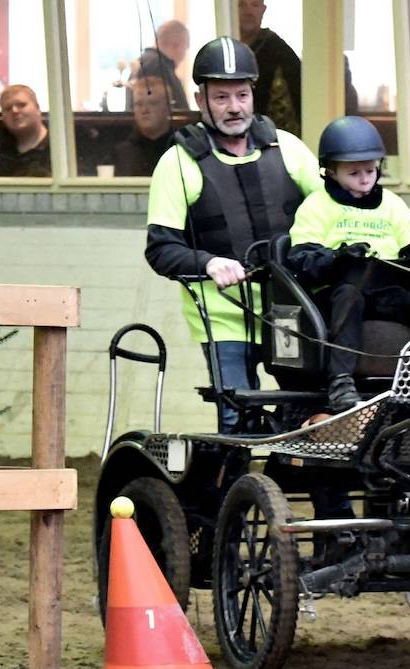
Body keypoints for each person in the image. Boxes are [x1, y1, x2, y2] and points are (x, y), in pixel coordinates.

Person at [144, 36, 318, 434]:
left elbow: (332, 210)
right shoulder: (177, 163)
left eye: (242, 94)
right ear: (200, 99)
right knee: (237, 420)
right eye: (221, 97)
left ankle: (322, 497)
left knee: (309, 413)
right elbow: (160, 249)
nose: (235, 107)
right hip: (223, 319)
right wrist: (208, 262)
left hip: (287, 313)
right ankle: (235, 494)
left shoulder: (287, 147)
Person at [287, 116, 410, 413]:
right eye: (354, 173)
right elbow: (302, 260)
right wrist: (338, 257)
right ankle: (340, 380)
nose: (365, 179)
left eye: (370, 170)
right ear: (331, 171)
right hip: (338, 292)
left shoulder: (391, 203)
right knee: (350, 290)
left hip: (385, 288)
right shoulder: (316, 206)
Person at [238, 0, 358, 137]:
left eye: (255, 4)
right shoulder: (226, 53)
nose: (248, 11)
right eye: (241, 4)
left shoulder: (279, 52)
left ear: (263, 10)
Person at [0, 84, 50, 177]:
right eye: (7, 108)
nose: (14, 110)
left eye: (21, 105)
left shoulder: (59, 146)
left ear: (37, 108)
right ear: (3, 116)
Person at [113, 77, 173, 177]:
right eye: (138, 104)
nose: (144, 110)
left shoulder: (182, 151)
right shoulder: (120, 154)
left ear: (168, 107)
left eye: (152, 103)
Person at [132, 19, 190, 111]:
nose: (184, 55)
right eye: (185, 48)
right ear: (177, 45)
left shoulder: (146, 62)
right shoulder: (157, 66)